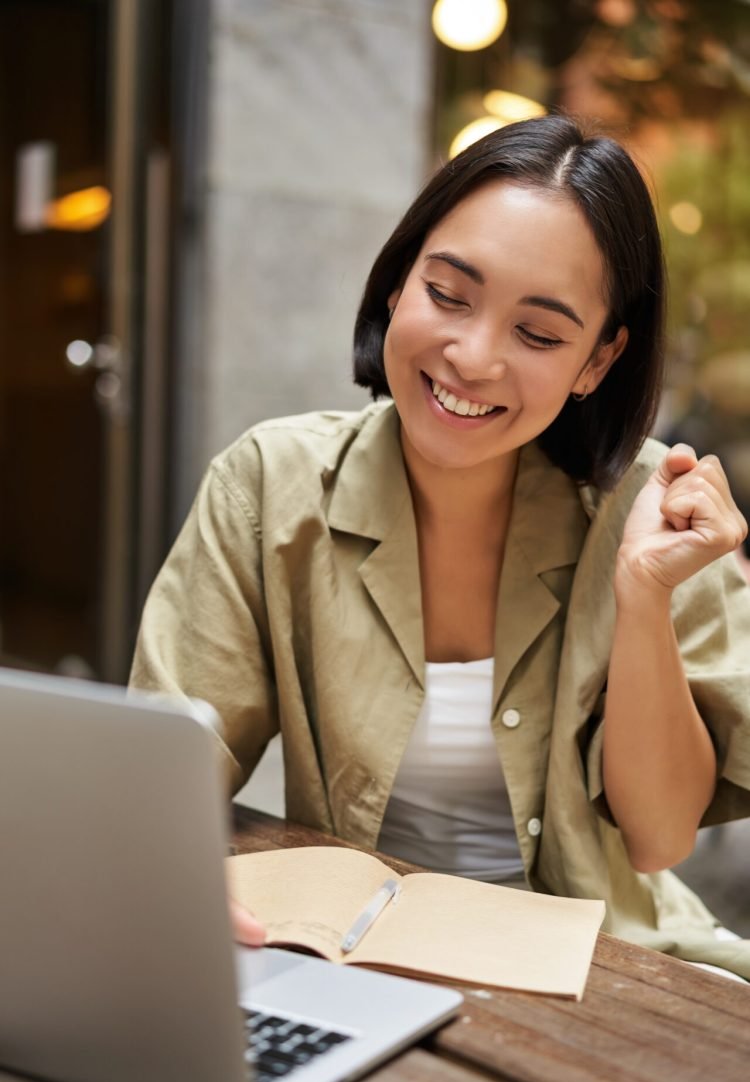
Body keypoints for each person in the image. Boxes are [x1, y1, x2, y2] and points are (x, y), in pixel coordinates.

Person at [130, 115, 750, 980]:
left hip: (608, 965)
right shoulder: (270, 483)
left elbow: (659, 836)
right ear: (398, 283)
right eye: (449, 294)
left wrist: (643, 591)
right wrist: (170, 871)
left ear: (598, 361)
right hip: (351, 957)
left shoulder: (652, 509)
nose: (472, 355)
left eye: (538, 334)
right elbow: (166, 756)